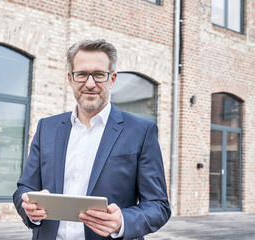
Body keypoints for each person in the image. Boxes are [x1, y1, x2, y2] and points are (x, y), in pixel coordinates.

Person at [13, 39, 171, 240]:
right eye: (81, 74)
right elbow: (25, 188)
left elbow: (159, 206)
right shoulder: (47, 128)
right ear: (70, 79)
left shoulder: (141, 132)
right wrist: (28, 208)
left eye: (99, 75)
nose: (89, 84)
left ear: (112, 79)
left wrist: (123, 221)